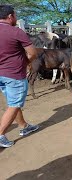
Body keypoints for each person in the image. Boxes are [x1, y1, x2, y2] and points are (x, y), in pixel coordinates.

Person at [0, 5, 39, 148]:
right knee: (14, 104)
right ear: (10, 16)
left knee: (12, 102)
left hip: (1, 75)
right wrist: (26, 63)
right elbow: (33, 53)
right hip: (14, 74)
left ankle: (24, 126)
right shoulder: (16, 32)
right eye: (15, 16)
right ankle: (1, 134)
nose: (16, 18)